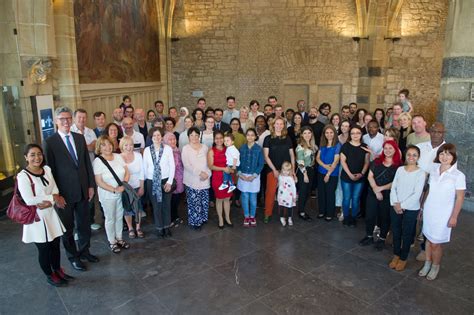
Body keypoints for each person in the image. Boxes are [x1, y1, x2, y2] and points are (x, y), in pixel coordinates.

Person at [43, 106, 97, 271]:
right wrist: (56, 195)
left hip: (82, 190)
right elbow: (49, 172)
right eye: (62, 119)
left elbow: (86, 164)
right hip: (64, 194)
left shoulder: (79, 138)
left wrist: (90, 185)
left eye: (68, 118)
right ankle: (73, 257)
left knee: (84, 224)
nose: (66, 121)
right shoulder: (50, 142)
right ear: (56, 121)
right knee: (67, 228)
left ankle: (85, 251)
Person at [18, 144, 71, 286]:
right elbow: (29, 199)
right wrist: (51, 199)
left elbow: (54, 188)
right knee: (44, 248)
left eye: (39, 154)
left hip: (50, 213)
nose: (37, 157)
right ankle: (49, 274)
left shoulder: (46, 169)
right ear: (26, 157)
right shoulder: (23, 176)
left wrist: (51, 200)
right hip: (37, 218)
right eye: (32, 155)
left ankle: (57, 269)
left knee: (55, 244)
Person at [419, 144, 465, 280]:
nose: (444, 157)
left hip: (443, 214)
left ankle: (435, 265)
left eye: (448, 154)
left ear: (454, 157)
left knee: (435, 242)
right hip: (429, 209)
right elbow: (428, 190)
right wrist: (422, 207)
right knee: (427, 237)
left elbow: (460, 198)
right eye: (442, 154)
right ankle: (427, 263)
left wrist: (454, 217)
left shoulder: (458, 175)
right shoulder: (434, 169)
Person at [389, 145, 426, 271]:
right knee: (396, 231)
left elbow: (417, 193)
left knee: (407, 233)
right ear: (405, 156)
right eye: (409, 154)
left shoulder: (421, 173)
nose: (411, 157)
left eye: (414, 155)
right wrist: (395, 203)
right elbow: (393, 187)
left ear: (418, 157)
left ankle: (403, 258)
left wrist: (402, 206)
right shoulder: (400, 169)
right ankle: (396, 255)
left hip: (411, 208)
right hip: (395, 205)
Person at [359, 140, 401, 250]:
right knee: (370, 215)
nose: (387, 150)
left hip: (388, 195)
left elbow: (396, 182)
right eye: (385, 148)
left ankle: (382, 239)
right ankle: (369, 236)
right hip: (373, 193)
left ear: (395, 150)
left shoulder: (399, 166)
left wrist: (380, 189)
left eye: (390, 148)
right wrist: (376, 190)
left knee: (384, 217)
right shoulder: (377, 161)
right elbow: (370, 176)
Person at [93, 136, 130, 253]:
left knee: (119, 216)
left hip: (121, 192)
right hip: (107, 195)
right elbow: (99, 181)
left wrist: (124, 185)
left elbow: (127, 171)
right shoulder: (98, 161)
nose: (107, 147)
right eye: (103, 145)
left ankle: (119, 238)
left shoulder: (118, 157)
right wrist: (114, 189)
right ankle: (112, 241)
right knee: (110, 218)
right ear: (99, 147)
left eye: (109, 144)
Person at [143, 127, 175, 238]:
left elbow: (172, 166)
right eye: (154, 136)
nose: (156, 137)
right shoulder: (147, 150)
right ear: (151, 138)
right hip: (152, 181)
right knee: (156, 206)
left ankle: (167, 227)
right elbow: (145, 167)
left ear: (162, 137)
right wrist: (150, 181)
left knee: (166, 205)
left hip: (166, 180)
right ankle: (159, 228)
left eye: (158, 135)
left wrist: (170, 182)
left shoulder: (167, 149)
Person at [263, 117, 295, 223]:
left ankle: (285, 214)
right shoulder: (268, 138)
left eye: (281, 124)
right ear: (273, 125)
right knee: (270, 193)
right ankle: (268, 213)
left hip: (286, 171)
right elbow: (266, 156)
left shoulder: (288, 138)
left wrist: (292, 170)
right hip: (272, 170)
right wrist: (275, 170)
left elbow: (291, 154)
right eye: (277, 123)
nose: (279, 125)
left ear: (284, 126)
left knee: (286, 193)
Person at [71, 109, 99, 230]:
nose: (82, 120)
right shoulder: (70, 131)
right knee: (79, 197)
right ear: (74, 118)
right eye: (79, 117)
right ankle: (78, 227)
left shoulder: (90, 131)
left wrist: (85, 146)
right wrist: (88, 146)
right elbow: (77, 150)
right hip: (77, 171)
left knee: (91, 194)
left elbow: (95, 147)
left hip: (91, 168)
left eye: (84, 117)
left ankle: (91, 220)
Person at [339, 125, 370, 227]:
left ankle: (353, 218)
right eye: (353, 133)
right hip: (347, 177)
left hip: (360, 177)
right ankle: (346, 217)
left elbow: (367, 162)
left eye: (358, 133)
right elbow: (343, 162)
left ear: (361, 134)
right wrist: (350, 175)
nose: (355, 135)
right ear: (350, 134)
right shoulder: (345, 146)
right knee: (347, 198)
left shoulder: (365, 147)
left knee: (356, 198)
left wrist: (362, 173)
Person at [182, 127, 212, 230]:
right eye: (192, 135)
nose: (194, 137)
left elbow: (209, 162)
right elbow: (186, 165)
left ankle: (203, 218)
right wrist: (200, 173)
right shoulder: (186, 148)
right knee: (194, 201)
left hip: (205, 179)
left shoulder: (204, 147)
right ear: (188, 137)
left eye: (196, 135)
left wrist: (207, 173)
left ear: (199, 136)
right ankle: (195, 222)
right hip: (192, 179)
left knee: (203, 200)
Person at [237, 129, 264, 227]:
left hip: (254, 176)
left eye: (252, 135)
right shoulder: (242, 148)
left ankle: (252, 216)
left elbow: (261, 164)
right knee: (244, 196)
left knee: (253, 197)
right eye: (248, 135)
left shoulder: (258, 149)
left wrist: (254, 175)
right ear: (246, 136)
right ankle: (246, 216)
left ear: (255, 137)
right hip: (243, 175)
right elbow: (237, 162)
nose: (250, 137)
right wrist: (240, 173)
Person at [120, 136, 145, 239]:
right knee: (127, 208)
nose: (128, 147)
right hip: (125, 187)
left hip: (137, 186)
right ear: (122, 146)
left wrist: (142, 187)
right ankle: (130, 228)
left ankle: (138, 227)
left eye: (130, 144)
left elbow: (142, 172)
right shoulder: (118, 157)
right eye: (126, 145)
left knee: (138, 208)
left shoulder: (138, 155)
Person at [208, 131, 234, 228]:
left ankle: (227, 218)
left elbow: (233, 160)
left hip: (227, 177)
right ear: (214, 140)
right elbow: (210, 166)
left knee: (227, 198)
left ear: (224, 138)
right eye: (217, 138)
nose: (219, 140)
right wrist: (224, 169)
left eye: (221, 138)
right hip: (217, 177)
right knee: (219, 199)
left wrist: (232, 168)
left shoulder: (228, 149)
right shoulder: (211, 151)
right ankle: (220, 219)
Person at [316, 125, 341, 221]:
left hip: (332, 174)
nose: (329, 134)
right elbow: (317, 158)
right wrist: (325, 166)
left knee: (330, 193)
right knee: (321, 193)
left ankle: (330, 213)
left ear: (334, 133)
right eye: (327, 133)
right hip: (321, 171)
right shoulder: (322, 144)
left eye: (331, 132)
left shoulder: (337, 145)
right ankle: (322, 211)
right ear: (324, 134)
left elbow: (335, 161)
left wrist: (328, 173)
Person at [163, 132, 185, 228]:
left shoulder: (177, 150)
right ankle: (170, 219)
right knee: (171, 201)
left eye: (174, 139)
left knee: (176, 200)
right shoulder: (165, 152)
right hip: (171, 180)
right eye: (170, 139)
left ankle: (175, 217)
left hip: (179, 179)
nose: (173, 141)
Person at [295, 126, 316, 221]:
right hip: (304, 171)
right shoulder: (300, 146)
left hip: (311, 170)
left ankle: (302, 209)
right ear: (302, 135)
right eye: (305, 133)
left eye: (309, 133)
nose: (307, 135)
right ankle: (301, 212)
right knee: (303, 192)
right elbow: (300, 162)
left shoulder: (313, 145)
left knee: (308, 192)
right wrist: (305, 174)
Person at [277, 161, 297, 227]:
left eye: (287, 170)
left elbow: (294, 188)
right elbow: (279, 185)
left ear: (290, 171)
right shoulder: (280, 176)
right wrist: (277, 195)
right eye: (284, 170)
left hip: (289, 196)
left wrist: (294, 196)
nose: (285, 172)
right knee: (281, 207)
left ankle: (289, 218)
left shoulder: (291, 178)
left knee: (289, 208)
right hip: (281, 196)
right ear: (282, 169)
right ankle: (281, 217)